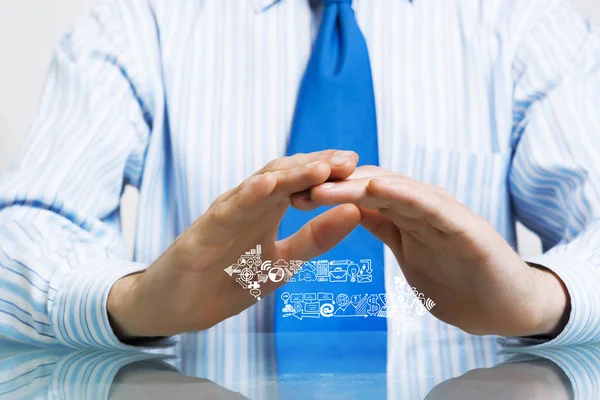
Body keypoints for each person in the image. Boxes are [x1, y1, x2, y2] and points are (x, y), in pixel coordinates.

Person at [0, 0, 599, 356]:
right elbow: (23, 231)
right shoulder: (143, 19)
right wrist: (130, 302)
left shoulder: (527, 21)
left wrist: (541, 297)